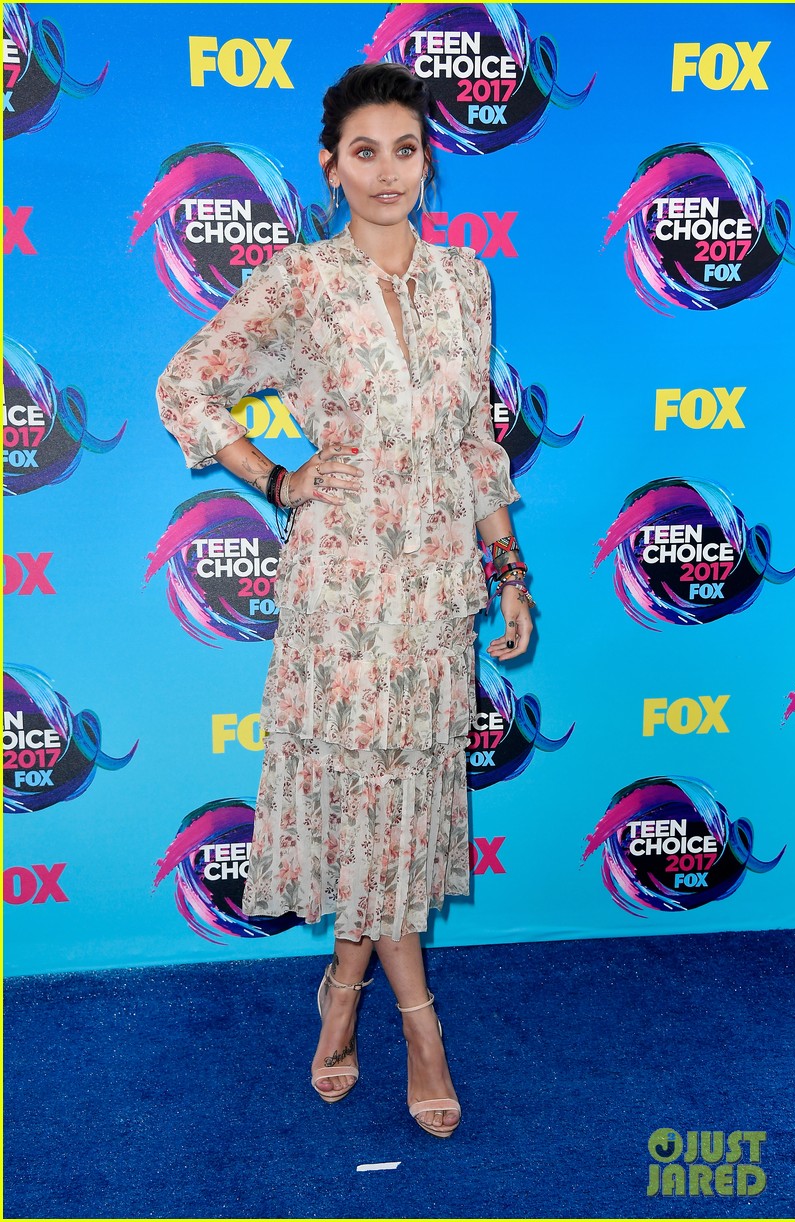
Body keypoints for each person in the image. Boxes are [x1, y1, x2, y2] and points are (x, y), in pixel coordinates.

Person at [157, 62, 533, 1138]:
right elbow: (185, 384)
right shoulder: (303, 280)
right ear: (330, 166)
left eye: (404, 150)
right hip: (343, 588)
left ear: (428, 161)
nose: (386, 172)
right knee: (367, 802)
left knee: (400, 805)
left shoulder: (465, 282)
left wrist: (508, 570)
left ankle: (340, 992)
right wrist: (276, 477)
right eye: (363, 152)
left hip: (435, 591)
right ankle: (420, 1026)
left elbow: (474, 443)